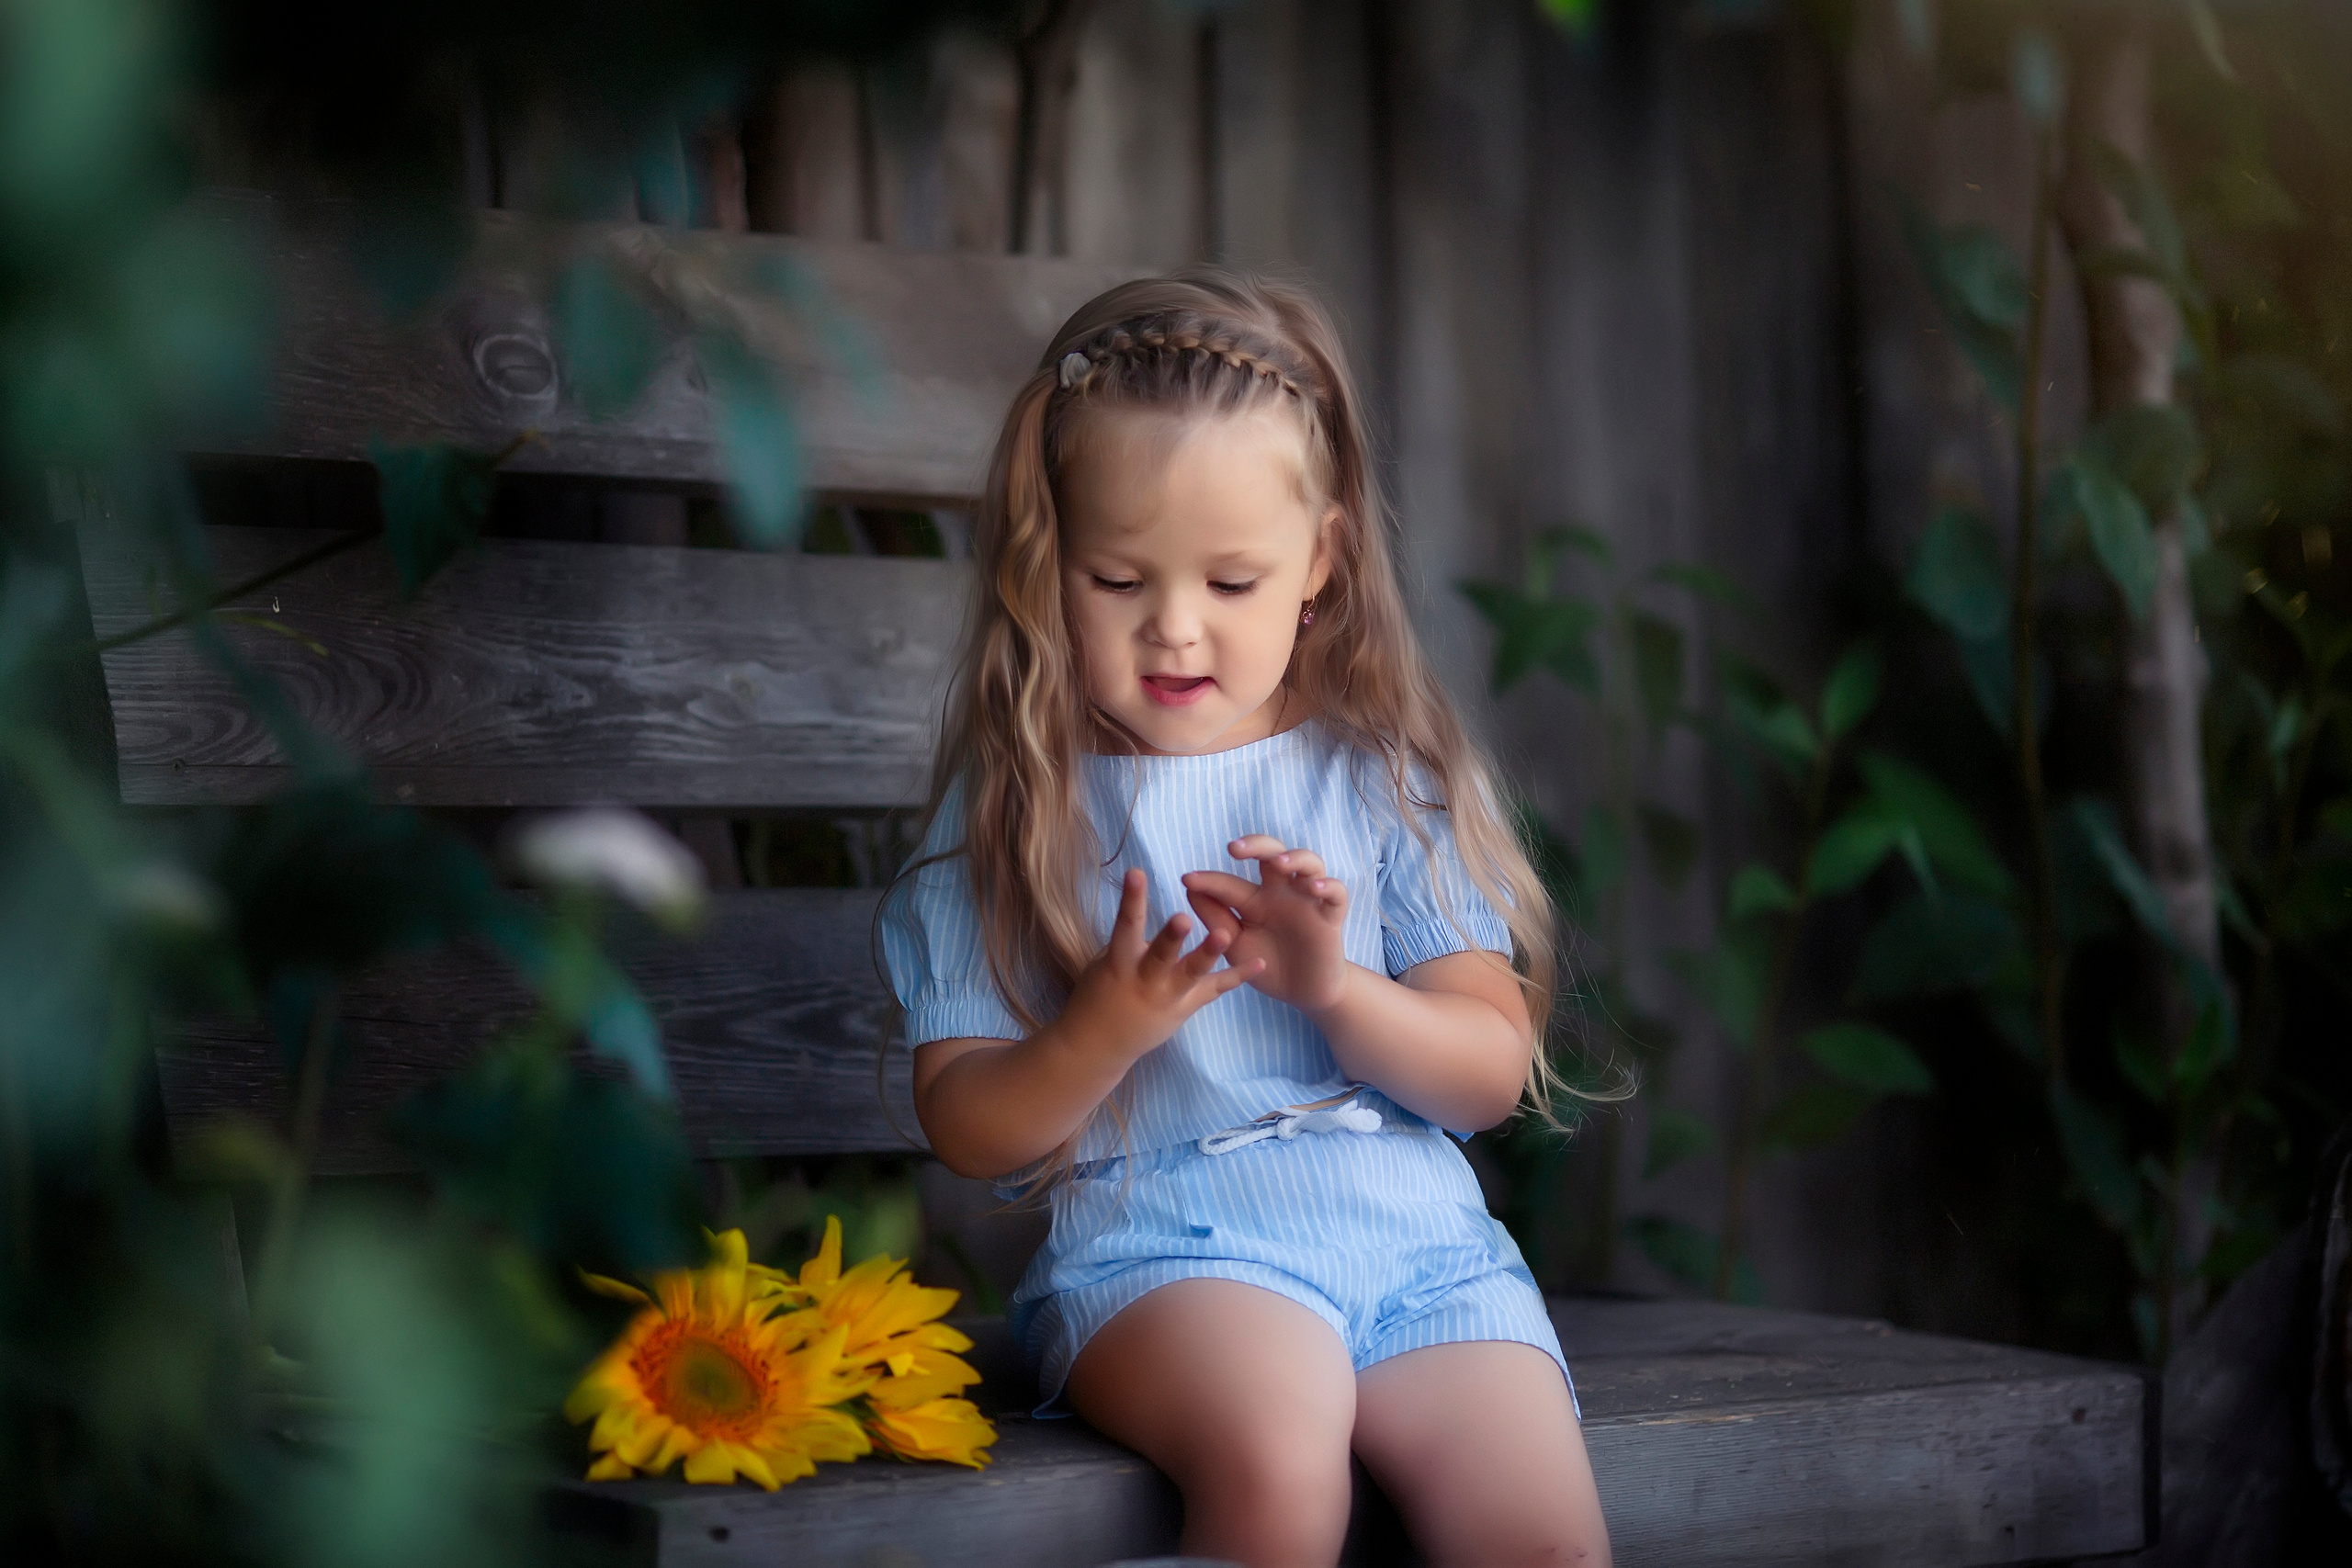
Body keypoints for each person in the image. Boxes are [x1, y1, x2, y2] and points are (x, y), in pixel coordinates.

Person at [880, 271, 1611, 1568]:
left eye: (1231, 581)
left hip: (1424, 1253)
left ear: (1320, 560)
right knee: (1281, 1475)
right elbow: (968, 1124)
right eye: (1118, 579)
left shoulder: (1380, 779)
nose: (1174, 629)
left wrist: (1337, 988)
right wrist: (1102, 1031)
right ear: (1048, 561)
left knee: (1542, 1540)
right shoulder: (1026, 806)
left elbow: (1487, 1072)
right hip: (1171, 1251)